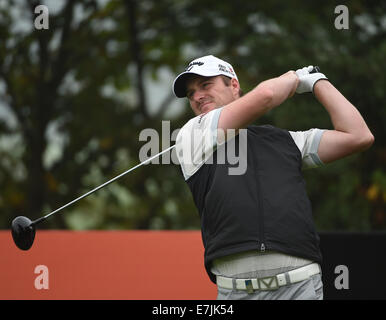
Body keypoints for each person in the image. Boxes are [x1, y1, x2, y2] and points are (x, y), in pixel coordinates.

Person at [172, 55, 374, 300]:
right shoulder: (192, 135)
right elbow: (267, 95)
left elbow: (359, 136)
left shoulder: (287, 140)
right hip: (236, 292)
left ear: (234, 85)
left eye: (205, 85)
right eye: (191, 93)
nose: (197, 96)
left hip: (300, 286)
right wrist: (294, 77)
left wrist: (318, 82)